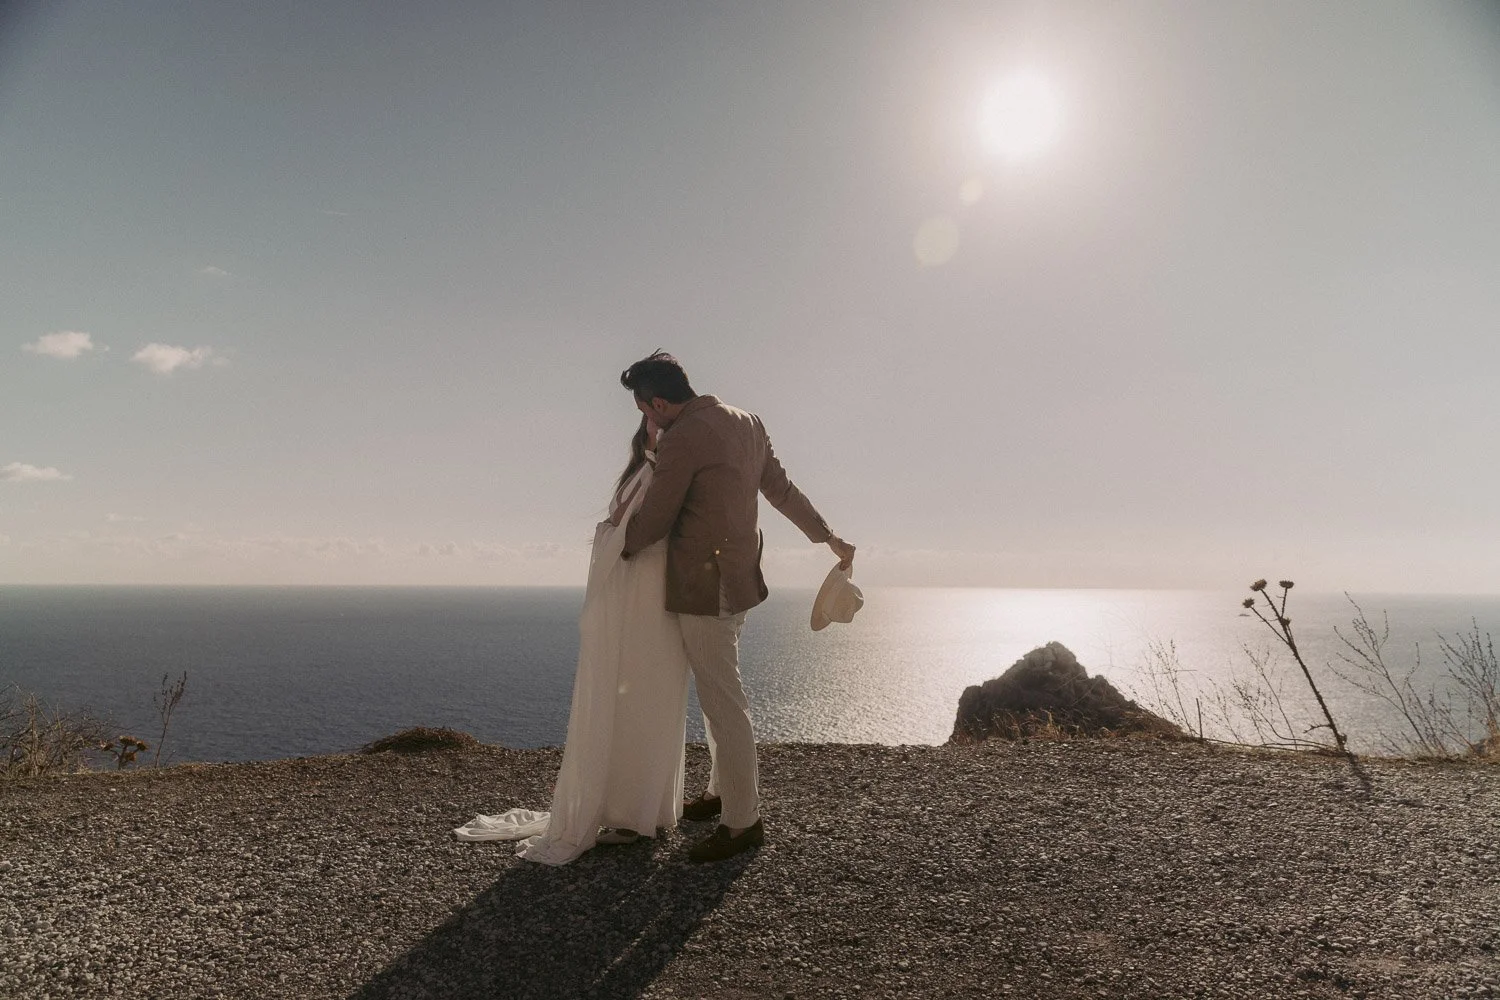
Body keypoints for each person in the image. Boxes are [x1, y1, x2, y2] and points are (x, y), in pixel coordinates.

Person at [619, 350, 855, 863]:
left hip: (707, 587)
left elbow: (659, 512)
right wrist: (826, 535)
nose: (644, 419)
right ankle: (723, 793)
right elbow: (781, 490)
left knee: (725, 701)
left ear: (659, 401)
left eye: (643, 409)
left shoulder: (684, 436)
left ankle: (742, 822)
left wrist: (620, 545)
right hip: (741, 580)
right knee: (718, 692)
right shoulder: (747, 422)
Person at [453, 415, 692, 864]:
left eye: (654, 414)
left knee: (648, 691)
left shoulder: (664, 467)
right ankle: (628, 808)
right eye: (644, 417)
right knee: (628, 692)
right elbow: (621, 517)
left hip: (649, 591)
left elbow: (629, 521)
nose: (650, 425)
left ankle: (642, 811)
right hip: (635, 590)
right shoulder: (645, 467)